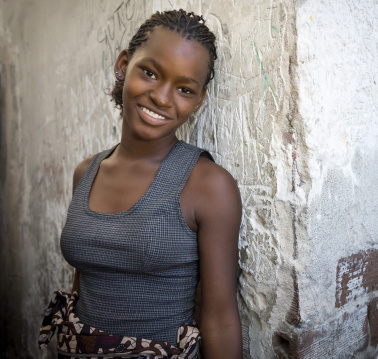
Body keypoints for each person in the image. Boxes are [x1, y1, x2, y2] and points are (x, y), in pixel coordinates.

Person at [39, 9, 242, 359]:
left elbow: (220, 318)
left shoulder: (208, 185)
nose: (162, 98)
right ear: (123, 65)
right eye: (150, 72)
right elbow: (85, 279)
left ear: (199, 100)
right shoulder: (86, 173)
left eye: (183, 88)